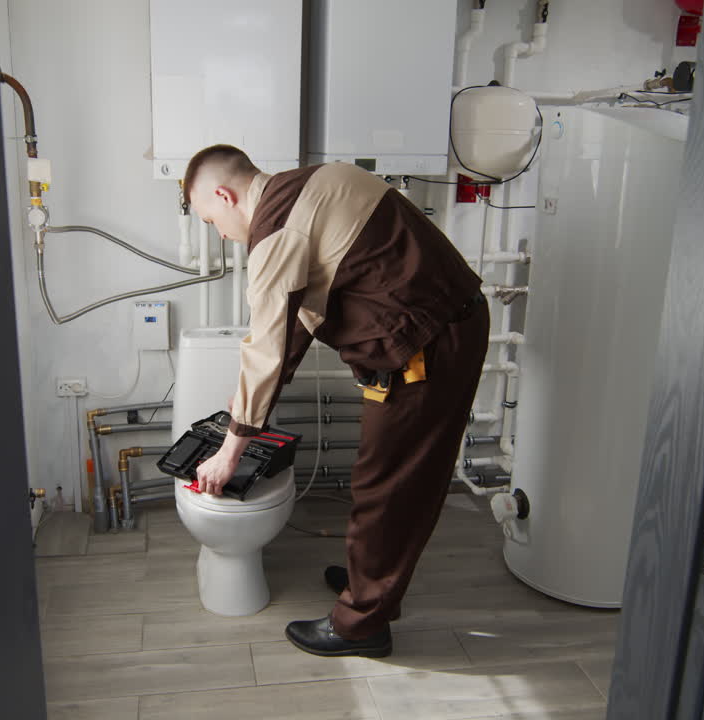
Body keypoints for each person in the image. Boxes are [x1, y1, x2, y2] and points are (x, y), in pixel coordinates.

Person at [185, 145, 489, 658]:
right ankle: (368, 583)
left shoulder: (275, 234)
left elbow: (267, 349)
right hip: (447, 323)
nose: (219, 233)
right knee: (392, 477)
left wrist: (231, 449)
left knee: (385, 483)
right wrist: (245, 419)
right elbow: (294, 330)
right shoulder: (321, 181)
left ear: (224, 194)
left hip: (431, 343)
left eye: (212, 219)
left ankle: (362, 625)